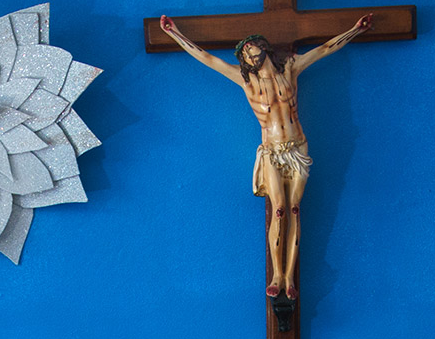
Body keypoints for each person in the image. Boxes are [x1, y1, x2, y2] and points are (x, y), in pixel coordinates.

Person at [155, 17, 369, 306]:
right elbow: (206, 58)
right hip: (272, 152)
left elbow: (325, 49)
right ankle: (277, 276)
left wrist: (355, 29)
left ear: (262, 47)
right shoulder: (246, 81)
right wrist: (174, 33)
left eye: (251, 47)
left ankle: (290, 277)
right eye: (243, 53)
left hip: (297, 148)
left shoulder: (290, 69)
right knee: (279, 209)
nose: (248, 53)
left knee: (294, 208)